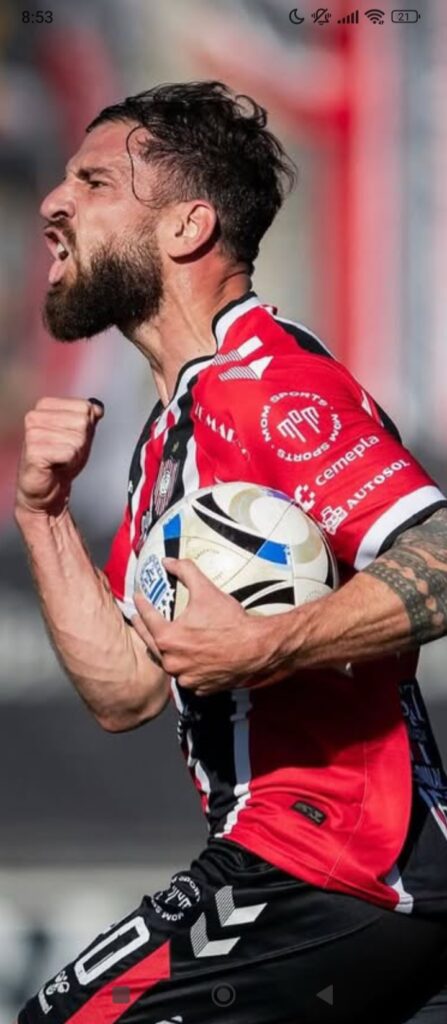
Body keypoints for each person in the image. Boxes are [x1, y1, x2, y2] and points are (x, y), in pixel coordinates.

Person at [14, 81, 447, 1024]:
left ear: (187, 228)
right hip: (312, 871)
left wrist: (266, 644)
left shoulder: (265, 385)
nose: (54, 201)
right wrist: (43, 514)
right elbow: (127, 689)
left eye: (94, 182)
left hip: (332, 866)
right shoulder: (170, 430)